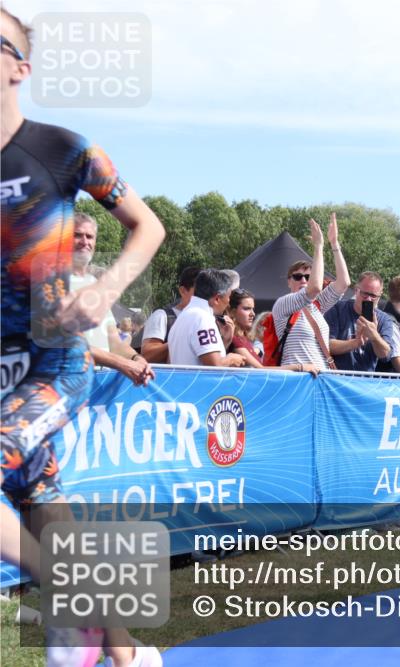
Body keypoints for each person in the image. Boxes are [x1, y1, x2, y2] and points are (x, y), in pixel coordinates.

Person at [1, 9, 165, 666]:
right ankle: (128, 655)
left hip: (54, 361)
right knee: (46, 508)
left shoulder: (62, 148)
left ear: (20, 67)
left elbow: (146, 225)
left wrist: (104, 291)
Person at [69, 213, 154, 386]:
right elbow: (67, 346)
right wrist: (122, 364)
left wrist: (137, 358)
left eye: (90, 236)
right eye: (77, 235)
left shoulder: (94, 284)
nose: (85, 241)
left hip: (95, 394)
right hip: (60, 392)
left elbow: (114, 343)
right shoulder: (48, 282)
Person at [272, 214, 349, 370]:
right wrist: (318, 246)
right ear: (289, 281)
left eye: (308, 276)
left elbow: (344, 283)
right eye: (297, 276)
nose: (303, 280)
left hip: (320, 378)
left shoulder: (316, 306)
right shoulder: (283, 302)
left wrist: (334, 244)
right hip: (297, 379)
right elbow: (314, 288)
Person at [227, 289, 318, 374]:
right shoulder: (234, 338)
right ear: (232, 311)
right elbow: (261, 370)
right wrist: (300, 367)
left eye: (253, 309)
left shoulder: (243, 338)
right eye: (246, 308)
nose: (252, 314)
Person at [167, 270, 245, 367]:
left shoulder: (184, 316)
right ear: (217, 299)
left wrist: (225, 341)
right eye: (229, 297)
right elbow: (215, 366)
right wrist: (232, 359)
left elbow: (202, 357)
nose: (229, 303)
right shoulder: (202, 319)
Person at [326, 272, 400, 372]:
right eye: (365, 294)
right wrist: (356, 342)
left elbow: (386, 356)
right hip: (336, 378)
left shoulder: (384, 319)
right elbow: (327, 346)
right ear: (356, 290)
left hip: (365, 382)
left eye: (373, 296)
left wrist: (374, 336)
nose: (368, 299)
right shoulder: (337, 309)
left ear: (380, 295)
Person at [139, 265, 200, 363]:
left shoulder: (209, 319)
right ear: (183, 291)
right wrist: (178, 341)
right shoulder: (162, 316)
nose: (203, 297)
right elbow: (147, 355)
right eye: (198, 292)